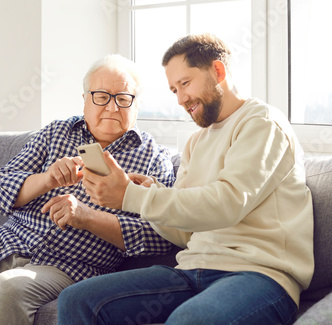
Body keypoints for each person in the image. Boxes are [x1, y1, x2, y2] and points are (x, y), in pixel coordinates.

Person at [0, 54, 175, 325]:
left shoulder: (153, 158)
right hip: (3, 242)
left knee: (6, 289)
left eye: (124, 98)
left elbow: (161, 237)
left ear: (136, 105)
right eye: (101, 97)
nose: (112, 107)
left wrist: (85, 216)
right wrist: (46, 180)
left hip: (70, 265)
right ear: (85, 100)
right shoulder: (57, 133)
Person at [57, 33, 314, 325]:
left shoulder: (262, 124)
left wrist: (131, 195)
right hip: (192, 270)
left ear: (218, 71)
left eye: (185, 84)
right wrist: (146, 194)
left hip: (259, 275)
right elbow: (185, 234)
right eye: (173, 90)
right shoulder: (196, 141)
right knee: (78, 300)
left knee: (191, 319)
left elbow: (228, 203)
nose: (181, 99)